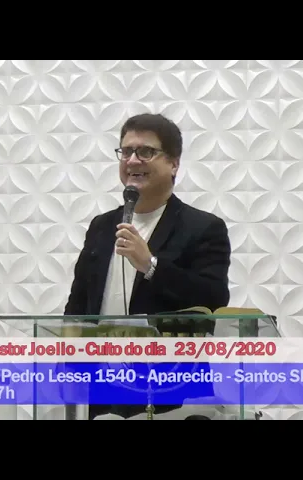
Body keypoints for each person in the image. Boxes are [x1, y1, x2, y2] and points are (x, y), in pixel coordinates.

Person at [63, 113, 232, 419]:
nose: (132, 160)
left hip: (170, 390)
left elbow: (214, 298)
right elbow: (78, 305)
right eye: (126, 151)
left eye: (145, 152)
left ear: (174, 164)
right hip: (99, 387)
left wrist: (151, 264)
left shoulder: (203, 227)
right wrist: (69, 369)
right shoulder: (102, 226)